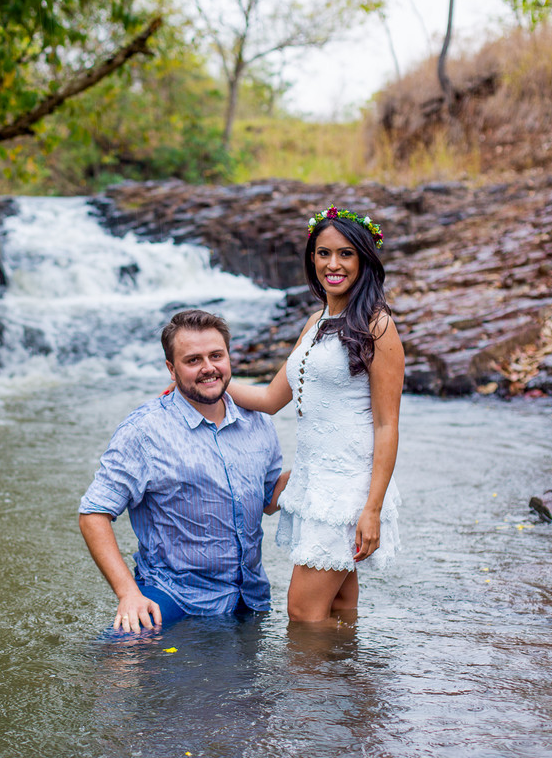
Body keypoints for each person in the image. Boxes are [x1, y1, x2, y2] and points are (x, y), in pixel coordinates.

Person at [227, 206, 404, 623]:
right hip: (315, 481)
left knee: (303, 612)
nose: (333, 264)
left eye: (346, 254)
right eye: (324, 253)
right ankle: (347, 667)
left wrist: (372, 509)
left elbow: (387, 425)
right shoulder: (316, 321)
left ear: (364, 259)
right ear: (312, 258)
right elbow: (271, 398)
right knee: (337, 609)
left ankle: (314, 673)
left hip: (348, 488)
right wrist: (206, 386)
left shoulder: (378, 326)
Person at [78, 309, 288, 633]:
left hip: (250, 600)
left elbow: (269, 500)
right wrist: (127, 594)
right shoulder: (144, 431)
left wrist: (318, 467)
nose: (208, 368)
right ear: (171, 369)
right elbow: (93, 513)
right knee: (121, 654)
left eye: (216, 356)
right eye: (193, 360)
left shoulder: (257, 421)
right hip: (172, 599)